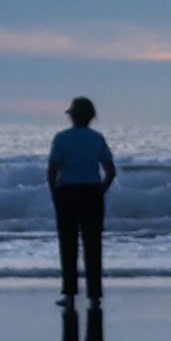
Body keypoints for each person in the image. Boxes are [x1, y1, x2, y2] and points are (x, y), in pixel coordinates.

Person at [45, 98, 115, 306]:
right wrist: (100, 190)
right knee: (93, 244)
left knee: (68, 244)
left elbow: (52, 171)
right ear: (91, 117)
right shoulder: (97, 139)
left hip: (67, 193)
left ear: (72, 116)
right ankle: (94, 295)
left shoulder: (61, 139)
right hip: (92, 192)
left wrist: (54, 193)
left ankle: (69, 294)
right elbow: (110, 172)